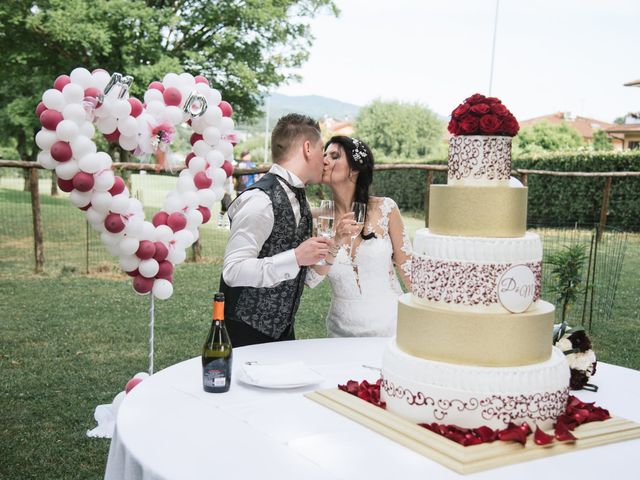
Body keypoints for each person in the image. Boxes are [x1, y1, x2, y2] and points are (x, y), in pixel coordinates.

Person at [219, 114, 331, 347]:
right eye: (322, 149)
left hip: (282, 333)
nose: (325, 159)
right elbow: (233, 271)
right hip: (246, 334)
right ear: (308, 149)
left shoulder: (298, 196)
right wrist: (296, 257)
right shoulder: (260, 200)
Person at [307, 136, 412, 337]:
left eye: (335, 156)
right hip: (342, 331)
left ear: (354, 169)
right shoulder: (316, 218)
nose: (325, 160)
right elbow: (312, 279)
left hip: (391, 327)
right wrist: (335, 243)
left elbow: (409, 270)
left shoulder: (386, 208)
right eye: (324, 155)